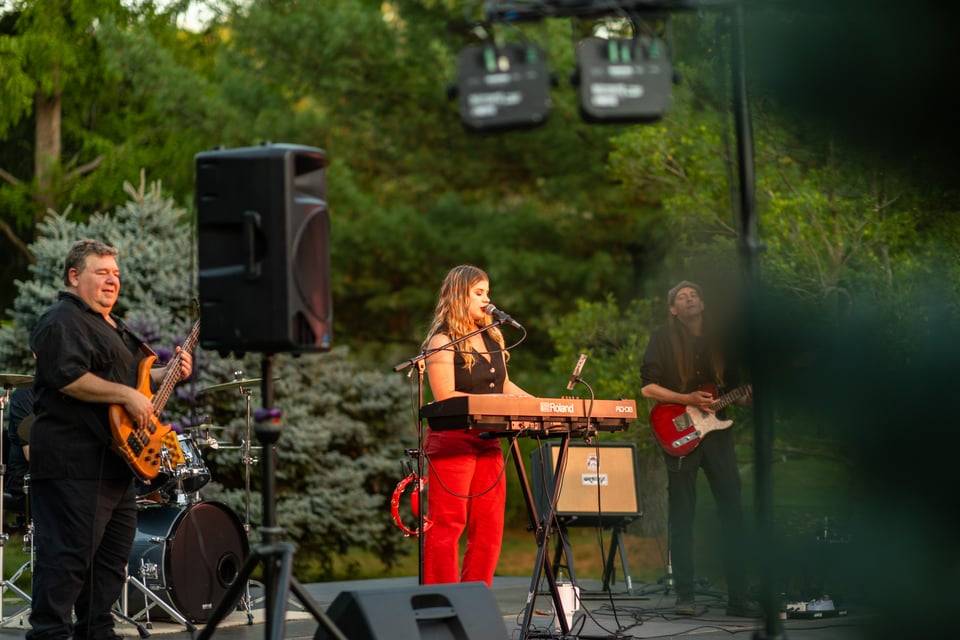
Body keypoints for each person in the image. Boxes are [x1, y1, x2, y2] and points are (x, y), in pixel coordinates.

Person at [27, 239, 192, 640]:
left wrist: (166, 373)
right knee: (66, 563)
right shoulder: (61, 320)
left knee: (109, 566)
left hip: (115, 465)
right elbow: (68, 377)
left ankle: (98, 632)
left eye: (116, 273)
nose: (112, 280)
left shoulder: (113, 325)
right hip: (73, 464)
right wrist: (126, 395)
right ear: (74, 276)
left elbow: (132, 382)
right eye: (101, 272)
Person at [640, 280, 759, 618]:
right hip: (678, 430)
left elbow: (736, 391)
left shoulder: (721, 342)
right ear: (673, 309)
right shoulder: (662, 338)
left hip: (717, 435)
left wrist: (748, 397)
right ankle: (685, 597)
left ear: (703, 304)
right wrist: (687, 399)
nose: (690, 299)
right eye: (682, 297)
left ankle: (739, 599)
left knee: (732, 511)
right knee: (682, 516)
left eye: (694, 295)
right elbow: (648, 388)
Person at [422, 265, 530, 586]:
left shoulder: (491, 337)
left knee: (489, 528)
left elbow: (505, 386)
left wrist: (537, 404)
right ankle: (441, 598)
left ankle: (477, 597)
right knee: (448, 524)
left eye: (487, 293)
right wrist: (496, 403)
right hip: (453, 440)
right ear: (459, 296)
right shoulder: (442, 339)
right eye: (479, 293)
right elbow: (445, 395)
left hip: (488, 438)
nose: (487, 300)